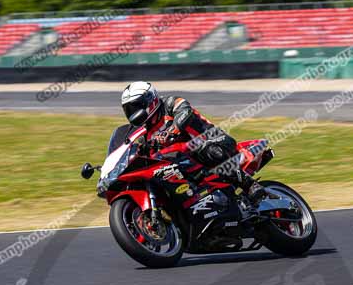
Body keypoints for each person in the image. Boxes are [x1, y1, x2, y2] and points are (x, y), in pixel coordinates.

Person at [114, 81, 266, 202]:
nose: (133, 113)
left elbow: (185, 112)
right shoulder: (145, 133)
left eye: (135, 107)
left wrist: (170, 131)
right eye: (129, 110)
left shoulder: (170, 103)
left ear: (149, 101)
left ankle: (249, 184)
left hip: (215, 140)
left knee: (204, 148)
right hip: (187, 161)